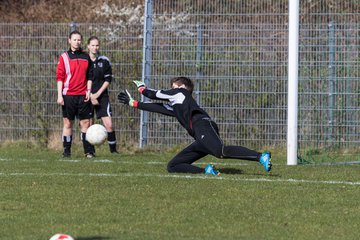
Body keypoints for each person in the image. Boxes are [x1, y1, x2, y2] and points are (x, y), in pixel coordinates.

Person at [117, 77, 272, 175]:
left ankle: (261, 156)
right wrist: (134, 103)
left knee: (220, 151)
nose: (171, 89)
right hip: (199, 135)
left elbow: (153, 94)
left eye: (173, 86)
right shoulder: (178, 105)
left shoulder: (181, 94)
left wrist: (142, 88)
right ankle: (206, 171)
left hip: (203, 126)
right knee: (173, 166)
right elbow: (159, 108)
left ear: (182, 87)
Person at [56, 30, 95, 158]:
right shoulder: (64, 57)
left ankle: (88, 151)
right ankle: (66, 151)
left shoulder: (86, 57)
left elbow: (90, 76)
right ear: (69, 40)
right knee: (68, 123)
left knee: (85, 124)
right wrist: (60, 95)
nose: (77, 42)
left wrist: (88, 91)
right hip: (68, 95)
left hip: (83, 95)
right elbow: (60, 78)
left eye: (79, 40)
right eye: (74, 39)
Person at [87, 36, 118, 154]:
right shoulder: (84, 60)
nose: (95, 48)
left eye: (97, 45)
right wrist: (90, 95)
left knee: (109, 125)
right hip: (87, 96)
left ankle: (114, 151)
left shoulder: (104, 60)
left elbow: (108, 79)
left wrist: (97, 94)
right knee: (89, 125)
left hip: (102, 96)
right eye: (92, 45)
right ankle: (90, 152)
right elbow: (81, 80)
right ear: (88, 46)